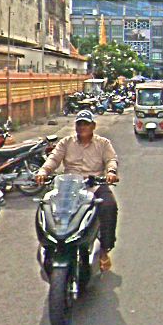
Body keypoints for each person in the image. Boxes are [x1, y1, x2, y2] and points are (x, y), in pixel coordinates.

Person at [35, 110, 119, 272]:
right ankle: (49, 245)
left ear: (93, 126)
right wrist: (43, 171)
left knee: (109, 206)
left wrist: (111, 172)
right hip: (69, 186)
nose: (82, 127)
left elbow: (111, 160)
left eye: (86, 124)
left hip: (94, 184)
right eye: (79, 124)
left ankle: (104, 250)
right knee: (46, 206)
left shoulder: (103, 143)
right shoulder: (66, 142)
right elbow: (53, 158)